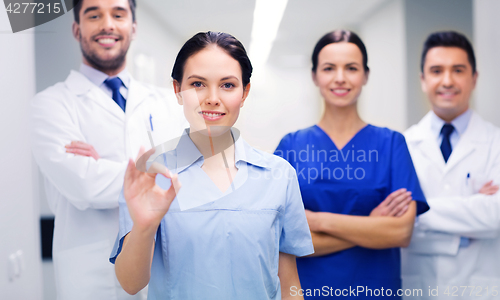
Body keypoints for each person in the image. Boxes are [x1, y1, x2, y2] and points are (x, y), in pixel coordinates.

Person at [110, 31, 314, 300]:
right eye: (197, 84)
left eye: (228, 85)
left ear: (245, 93)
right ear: (177, 90)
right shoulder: (151, 174)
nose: (212, 98)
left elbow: (289, 282)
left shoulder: (278, 175)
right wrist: (145, 226)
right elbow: (130, 284)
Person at [30, 0, 185, 299]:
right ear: (76, 29)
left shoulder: (166, 102)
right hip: (90, 277)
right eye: (93, 15)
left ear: (133, 27)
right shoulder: (48, 106)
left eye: (118, 14)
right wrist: (158, 170)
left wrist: (104, 166)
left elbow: (191, 175)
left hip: (162, 269)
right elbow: (84, 186)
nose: (107, 24)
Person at [274, 30, 429, 299]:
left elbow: (402, 232)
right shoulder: (291, 146)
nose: (340, 77)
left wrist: (317, 221)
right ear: (314, 76)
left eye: (352, 68)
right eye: (329, 68)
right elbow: (282, 237)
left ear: (365, 75)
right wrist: (370, 226)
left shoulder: (392, 143)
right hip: (310, 291)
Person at [401, 31, 500, 299]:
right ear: (423, 80)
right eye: (436, 71)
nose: (447, 81)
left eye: (458, 70)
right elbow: (396, 223)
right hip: (420, 287)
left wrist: (418, 209)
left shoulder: (496, 142)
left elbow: (494, 215)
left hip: (480, 288)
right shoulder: (403, 145)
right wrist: (471, 210)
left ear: (474, 78)